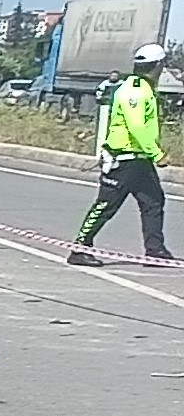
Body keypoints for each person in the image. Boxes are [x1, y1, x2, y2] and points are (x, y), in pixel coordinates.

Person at [70, 43, 168, 267]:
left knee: (154, 202)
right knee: (105, 205)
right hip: (124, 159)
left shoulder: (143, 87)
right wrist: (157, 153)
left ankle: (155, 250)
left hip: (139, 159)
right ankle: (79, 248)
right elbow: (136, 126)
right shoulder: (134, 90)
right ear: (158, 65)